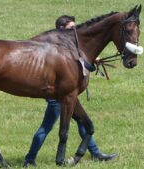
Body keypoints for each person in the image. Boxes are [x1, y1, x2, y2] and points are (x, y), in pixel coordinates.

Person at [23, 15, 117, 167]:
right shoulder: (54, 43)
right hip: (57, 96)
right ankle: (29, 158)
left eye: (74, 27)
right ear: (61, 29)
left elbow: (80, 59)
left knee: (82, 124)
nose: (74, 31)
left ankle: (95, 153)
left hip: (69, 94)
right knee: (46, 127)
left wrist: (94, 59)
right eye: (70, 29)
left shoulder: (71, 45)